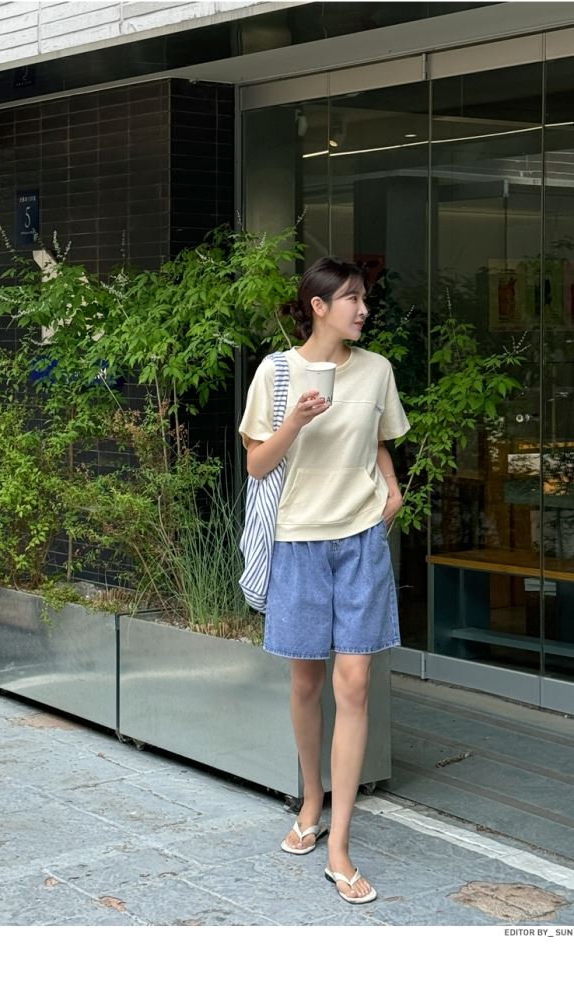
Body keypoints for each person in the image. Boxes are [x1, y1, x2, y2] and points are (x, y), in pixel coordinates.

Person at [238, 257, 410, 904]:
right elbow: (257, 465)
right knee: (307, 682)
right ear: (318, 306)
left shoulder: (377, 371)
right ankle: (311, 797)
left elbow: (378, 440)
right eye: (351, 299)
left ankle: (338, 844)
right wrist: (295, 422)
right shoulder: (276, 372)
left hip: (361, 540)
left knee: (355, 682)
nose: (363, 310)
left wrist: (391, 488)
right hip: (298, 543)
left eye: (364, 299)